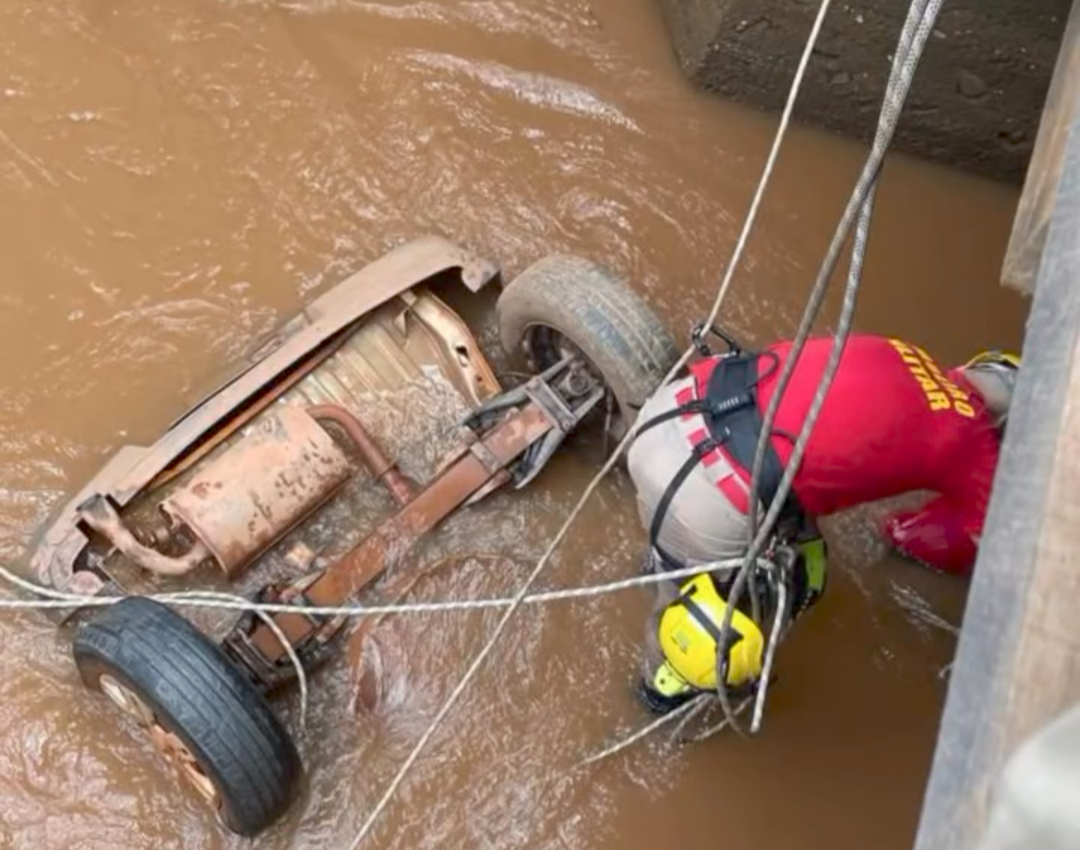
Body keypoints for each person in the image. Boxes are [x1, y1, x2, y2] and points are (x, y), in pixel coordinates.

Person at [626, 331, 1021, 713]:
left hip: (675, 407)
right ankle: (660, 690)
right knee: (710, 634)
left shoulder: (905, 351)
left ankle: (667, 561)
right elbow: (930, 541)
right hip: (708, 493)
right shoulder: (977, 450)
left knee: (768, 536)